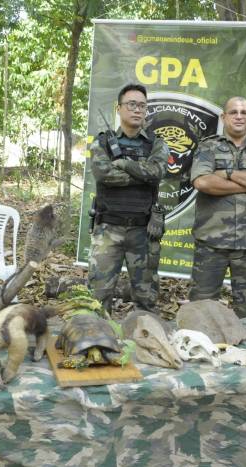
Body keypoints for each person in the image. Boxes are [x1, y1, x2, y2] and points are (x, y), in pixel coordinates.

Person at [188, 96, 246, 318]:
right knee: (202, 310)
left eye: (244, 112)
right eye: (233, 112)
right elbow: (202, 182)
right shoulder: (208, 147)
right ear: (224, 117)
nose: (239, 116)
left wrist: (229, 174)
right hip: (212, 244)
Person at [88, 83, 169, 312]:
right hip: (108, 230)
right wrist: (143, 174)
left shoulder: (156, 143)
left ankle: (147, 343)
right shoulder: (103, 141)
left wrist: (123, 163)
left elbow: (157, 173)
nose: (137, 110)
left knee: (146, 298)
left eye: (142, 106)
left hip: (143, 232)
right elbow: (104, 175)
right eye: (131, 104)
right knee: (98, 297)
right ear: (119, 108)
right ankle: (98, 342)